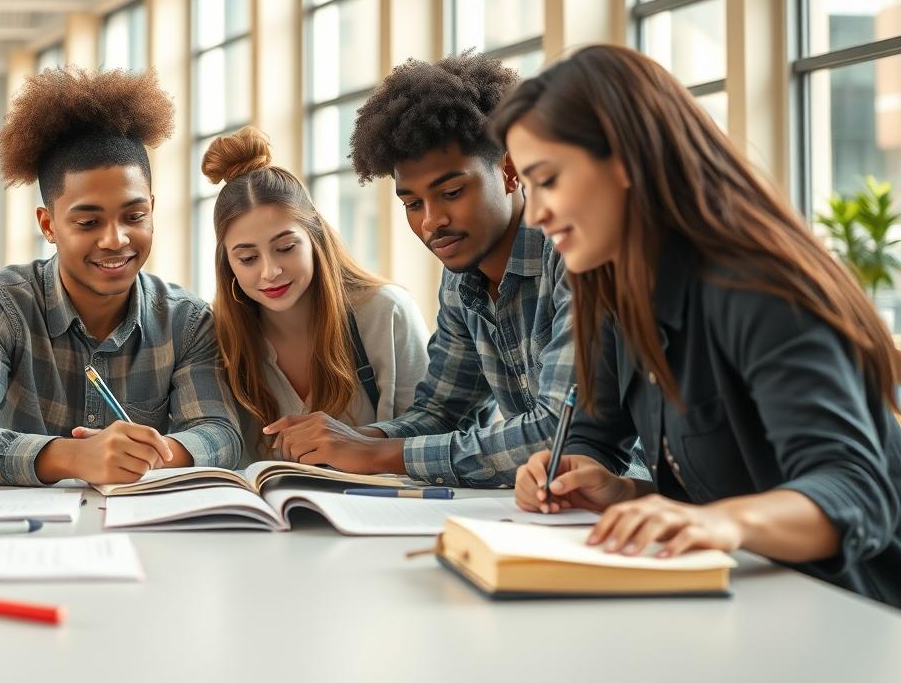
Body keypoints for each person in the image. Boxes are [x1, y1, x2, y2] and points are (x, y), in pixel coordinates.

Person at [498, 44, 901, 608]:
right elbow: (596, 434)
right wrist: (605, 484)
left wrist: (726, 523)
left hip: (853, 611)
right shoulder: (614, 285)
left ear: (626, 161)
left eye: (549, 180)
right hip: (739, 602)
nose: (535, 213)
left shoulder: (759, 288)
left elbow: (853, 489)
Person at [266, 52, 574, 487]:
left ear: (509, 170)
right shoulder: (461, 279)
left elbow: (560, 434)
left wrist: (377, 453)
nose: (431, 223)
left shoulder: (570, 253)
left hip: (634, 510)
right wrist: (345, 441)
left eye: (451, 192)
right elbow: (441, 412)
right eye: (412, 204)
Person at [0, 68, 241, 486]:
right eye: (88, 222)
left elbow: (220, 434)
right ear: (48, 225)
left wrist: (142, 457)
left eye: (134, 216)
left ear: (151, 208)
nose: (115, 240)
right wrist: (73, 458)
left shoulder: (187, 321)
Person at [200, 127, 429, 463]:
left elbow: (434, 430)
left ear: (315, 239)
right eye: (247, 258)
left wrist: (361, 444)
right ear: (228, 264)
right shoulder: (216, 336)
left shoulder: (387, 313)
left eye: (285, 247)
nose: (270, 271)